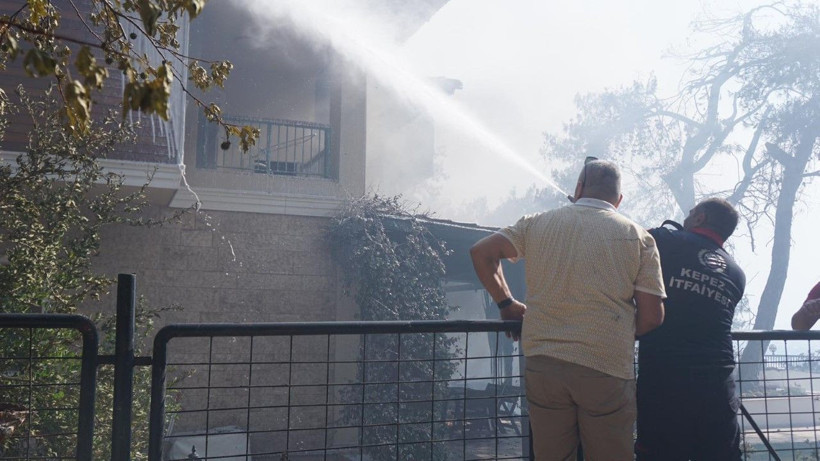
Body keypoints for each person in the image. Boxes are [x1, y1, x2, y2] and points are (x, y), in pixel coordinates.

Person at [470, 158, 666, 461]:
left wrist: (507, 304)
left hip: (544, 363)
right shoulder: (638, 237)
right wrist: (620, 330)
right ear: (619, 199)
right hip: (607, 367)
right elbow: (652, 316)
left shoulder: (536, 223)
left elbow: (482, 252)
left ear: (578, 188)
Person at [635, 198, 746, 461]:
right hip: (718, 388)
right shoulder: (736, 273)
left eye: (691, 212)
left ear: (699, 218)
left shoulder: (663, 240)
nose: (687, 215)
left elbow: (624, 242)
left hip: (665, 383)